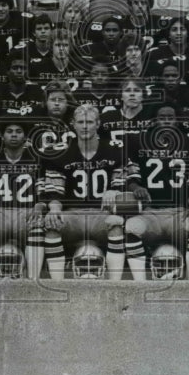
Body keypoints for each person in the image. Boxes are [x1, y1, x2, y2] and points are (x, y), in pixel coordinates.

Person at [40, 104, 137, 280]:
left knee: (116, 224)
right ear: (73, 124)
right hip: (73, 215)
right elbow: (55, 192)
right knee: (51, 225)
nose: (85, 126)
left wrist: (114, 191)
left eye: (90, 122)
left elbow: (125, 184)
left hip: (101, 214)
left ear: (98, 124)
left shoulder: (114, 151)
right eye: (81, 122)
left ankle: (115, 285)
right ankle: (57, 284)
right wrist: (54, 209)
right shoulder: (61, 153)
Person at [124, 105, 189, 279]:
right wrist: (136, 188)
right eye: (162, 117)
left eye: (170, 117)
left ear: (177, 120)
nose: (166, 121)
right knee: (131, 227)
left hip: (179, 212)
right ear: (155, 120)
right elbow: (130, 177)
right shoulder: (140, 141)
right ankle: (139, 284)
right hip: (150, 212)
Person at [0, 120, 50, 280]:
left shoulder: (37, 160)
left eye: (18, 131)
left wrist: (39, 206)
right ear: (3, 136)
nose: (14, 134)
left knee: (38, 226)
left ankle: (33, 280)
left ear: (25, 136)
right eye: (9, 131)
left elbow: (44, 192)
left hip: (26, 213)